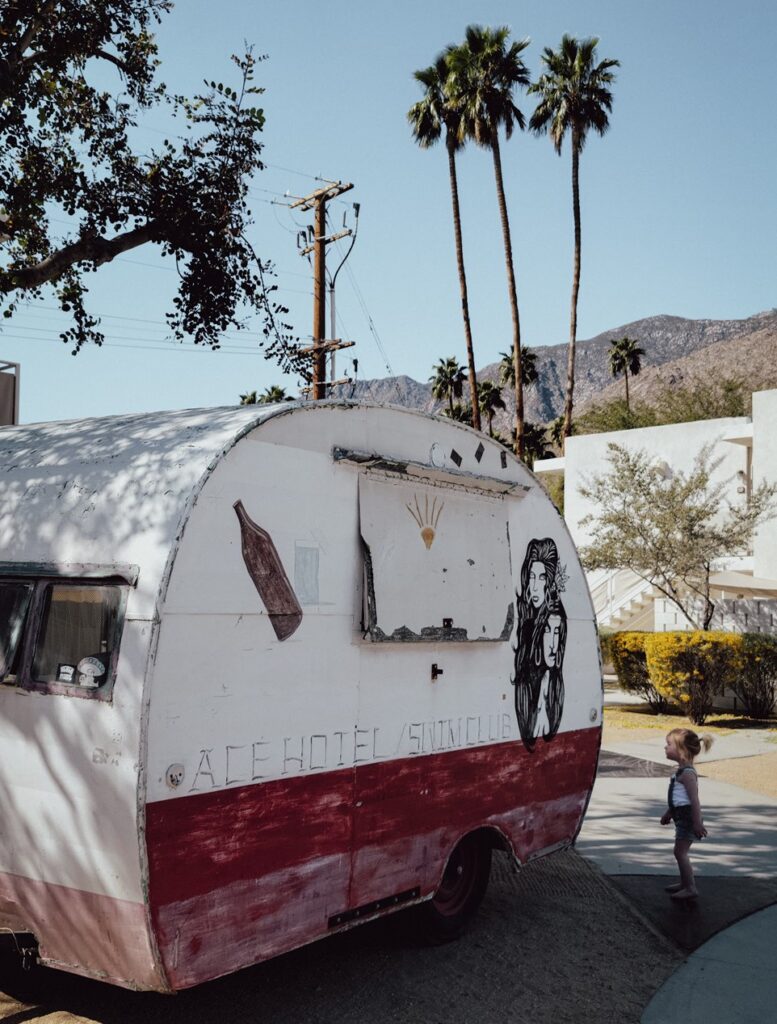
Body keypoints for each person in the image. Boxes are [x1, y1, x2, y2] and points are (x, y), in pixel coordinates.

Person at [660, 728, 714, 900]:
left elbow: (694, 800)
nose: (665, 747)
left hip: (689, 818)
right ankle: (685, 883)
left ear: (681, 750)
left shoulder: (688, 774)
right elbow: (679, 799)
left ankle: (690, 887)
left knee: (680, 852)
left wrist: (697, 823)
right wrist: (669, 813)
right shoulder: (682, 771)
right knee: (679, 852)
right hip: (682, 816)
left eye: (669, 744)